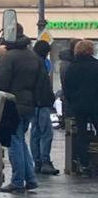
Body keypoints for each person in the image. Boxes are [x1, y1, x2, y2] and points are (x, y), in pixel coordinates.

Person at [0, 24, 52, 193]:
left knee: (14, 143)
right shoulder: (33, 57)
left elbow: (1, 82)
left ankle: (17, 181)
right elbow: (42, 83)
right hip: (29, 106)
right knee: (21, 141)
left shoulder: (10, 57)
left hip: (13, 105)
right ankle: (31, 179)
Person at [61, 39, 98, 174]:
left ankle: (84, 162)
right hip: (95, 104)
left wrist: (73, 102)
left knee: (81, 134)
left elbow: (67, 88)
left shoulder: (72, 67)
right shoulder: (96, 66)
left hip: (78, 106)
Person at [31, 39, 59, 176]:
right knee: (46, 133)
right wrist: (50, 99)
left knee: (35, 134)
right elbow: (44, 86)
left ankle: (37, 162)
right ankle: (45, 161)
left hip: (33, 103)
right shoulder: (41, 64)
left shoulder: (32, 61)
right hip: (42, 103)